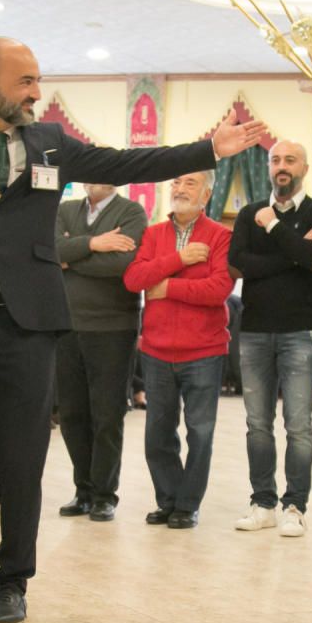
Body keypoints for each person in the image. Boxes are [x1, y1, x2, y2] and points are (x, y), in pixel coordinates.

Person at [0, 37, 264, 623]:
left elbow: (125, 163)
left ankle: (13, 582)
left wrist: (205, 149)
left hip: (32, 325)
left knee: (22, 459)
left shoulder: (50, 144)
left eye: (37, 81)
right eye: (26, 82)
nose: (38, 93)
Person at [227, 140, 312, 537]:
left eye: (289, 160)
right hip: (254, 330)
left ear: (304, 167)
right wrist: (294, 255)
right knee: (257, 423)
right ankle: (263, 502)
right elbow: (237, 265)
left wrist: (272, 228)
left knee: (299, 424)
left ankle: (295, 506)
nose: (281, 166)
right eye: (275, 160)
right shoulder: (249, 212)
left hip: (300, 331)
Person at [124, 170, 234, 531]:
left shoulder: (220, 236)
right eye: (175, 183)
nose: (179, 188)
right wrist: (180, 260)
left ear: (205, 195)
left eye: (189, 183)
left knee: (199, 432)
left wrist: (167, 287)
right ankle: (168, 499)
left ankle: (188, 505)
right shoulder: (153, 234)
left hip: (204, 350)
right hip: (156, 350)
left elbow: (218, 289)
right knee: (158, 432)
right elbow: (134, 280)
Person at [54, 183, 146, 522]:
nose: (96, 178)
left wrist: (72, 258)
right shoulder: (65, 210)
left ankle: (105, 494)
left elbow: (123, 263)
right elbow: (51, 250)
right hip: (67, 324)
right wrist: (95, 243)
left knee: (107, 415)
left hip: (113, 326)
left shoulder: (131, 212)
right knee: (73, 413)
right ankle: (84, 489)